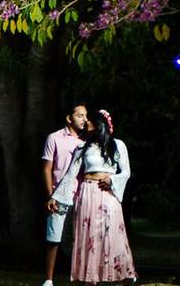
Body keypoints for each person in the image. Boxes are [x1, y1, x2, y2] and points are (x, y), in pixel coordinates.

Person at [49, 108, 136, 284]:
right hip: (88, 193)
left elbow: (126, 172)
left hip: (108, 194)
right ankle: (90, 277)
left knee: (111, 234)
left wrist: (112, 180)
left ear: (99, 125)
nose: (86, 121)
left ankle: (121, 274)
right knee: (89, 236)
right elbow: (70, 174)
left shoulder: (117, 145)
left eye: (90, 120)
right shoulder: (83, 147)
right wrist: (55, 197)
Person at [41, 102, 89, 286]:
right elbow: (47, 168)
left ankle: (80, 277)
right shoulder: (54, 138)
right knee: (53, 238)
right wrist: (50, 194)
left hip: (80, 196)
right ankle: (49, 279)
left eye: (85, 116)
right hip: (58, 195)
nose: (84, 119)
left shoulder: (85, 143)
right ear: (69, 118)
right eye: (80, 115)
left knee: (79, 239)